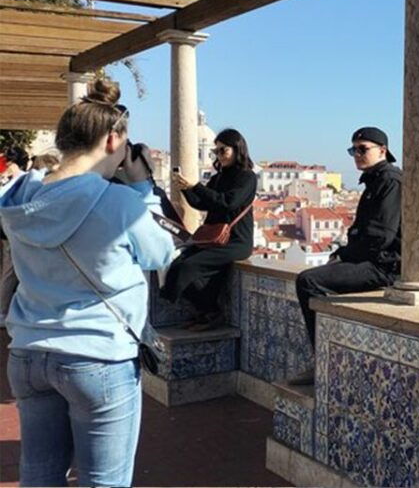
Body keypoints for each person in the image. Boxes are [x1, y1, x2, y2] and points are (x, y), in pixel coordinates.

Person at [0, 79, 176, 487]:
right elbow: (161, 253)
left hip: (28, 353)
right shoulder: (120, 202)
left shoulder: (17, 197)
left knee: (39, 475)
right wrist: (144, 189)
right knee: (104, 481)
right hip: (98, 355)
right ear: (114, 141)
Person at [292, 127, 401, 384]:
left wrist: (344, 256)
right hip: (373, 259)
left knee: (308, 281)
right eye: (353, 150)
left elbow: (379, 236)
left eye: (363, 149)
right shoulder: (377, 180)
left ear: (382, 150)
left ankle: (324, 361)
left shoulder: (390, 181)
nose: (357, 155)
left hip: (384, 267)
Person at [164, 128, 257, 330]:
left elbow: (228, 202)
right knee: (178, 263)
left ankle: (213, 313)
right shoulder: (219, 177)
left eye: (223, 150)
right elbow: (203, 203)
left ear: (237, 149)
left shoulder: (247, 177)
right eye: (216, 152)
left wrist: (196, 186)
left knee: (190, 267)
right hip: (215, 238)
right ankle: (205, 312)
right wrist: (186, 189)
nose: (219, 155)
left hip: (236, 241)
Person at [0, 152, 58, 328]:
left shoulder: (20, 183)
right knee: (12, 274)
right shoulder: (34, 183)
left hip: (12, 236)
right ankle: (3, 311)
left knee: (11, 274)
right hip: (19, 237)